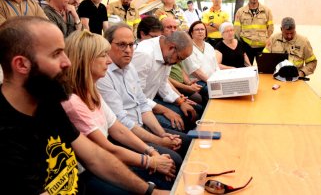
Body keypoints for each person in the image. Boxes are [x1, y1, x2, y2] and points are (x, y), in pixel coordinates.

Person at [0, 16, 167, 195]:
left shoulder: (46, 102)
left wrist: (150, 192)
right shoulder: (6, 132)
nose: (68, 62)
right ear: (22, 64)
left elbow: (95, 157)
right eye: (56, 54)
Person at [63, 30, 176, 192]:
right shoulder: (73, 101)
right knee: (166, 176)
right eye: (103, 55)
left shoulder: (91, 90)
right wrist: (150, 161)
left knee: (171, 164)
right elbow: (106, 149)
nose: (109, 61)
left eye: (131, 45)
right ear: (85, 60)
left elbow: (117, 127)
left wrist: (152, 152)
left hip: (107, 157)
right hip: (89, 173)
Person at [97, 23, 190, 159]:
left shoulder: (129, 68)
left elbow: (143, 105)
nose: (128, 50)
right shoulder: (103, 75)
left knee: (186, 142)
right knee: (175, 157)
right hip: (125, 136)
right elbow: (121, 122)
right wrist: (158, 140)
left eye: (131, 44)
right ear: (107, 45)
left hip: (141, 126)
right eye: (122, 45)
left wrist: (161, 134)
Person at [132, 28, 199, 132]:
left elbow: (163, 83)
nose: (178, 62)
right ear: (172, 47)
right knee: (179, 125)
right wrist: (164, 110)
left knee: (192, 113)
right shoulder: (144, 54)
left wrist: (180, 101)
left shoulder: (167, 53)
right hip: (136, 110)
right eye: (179, 58)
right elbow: (135, 96)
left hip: (149, 103)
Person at [161, 18, 205, 106]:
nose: (173, 30)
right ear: (161, 30)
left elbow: (181, 68)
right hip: (173, 87)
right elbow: (165, 80)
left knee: (201, 97)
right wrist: (185, 90)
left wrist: (188, 83)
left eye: (175, 27)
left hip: (181, 85)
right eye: (169, 27)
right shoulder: (163, 49)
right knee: (199, 100)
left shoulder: (179, 44)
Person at [234, 0, 274, 65]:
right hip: (247, 47)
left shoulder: (267, 11)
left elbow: (270, 28)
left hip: (262, 47)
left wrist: (266, 40)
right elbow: (237, 30)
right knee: (246, 70)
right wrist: (242, 44)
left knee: (263, 69)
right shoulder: (240, 12)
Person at [182, 21, 220, 92]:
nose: (200, 31)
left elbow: (216, 66)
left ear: (205, 33)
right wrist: (212, 82)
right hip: (198, 82)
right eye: (197, 29)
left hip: (213, 79)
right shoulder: (188, 47)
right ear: (191, 33)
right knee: (217, 92)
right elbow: (195, 71)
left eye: (202, 29)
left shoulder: (209, 46)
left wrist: (219, 78)